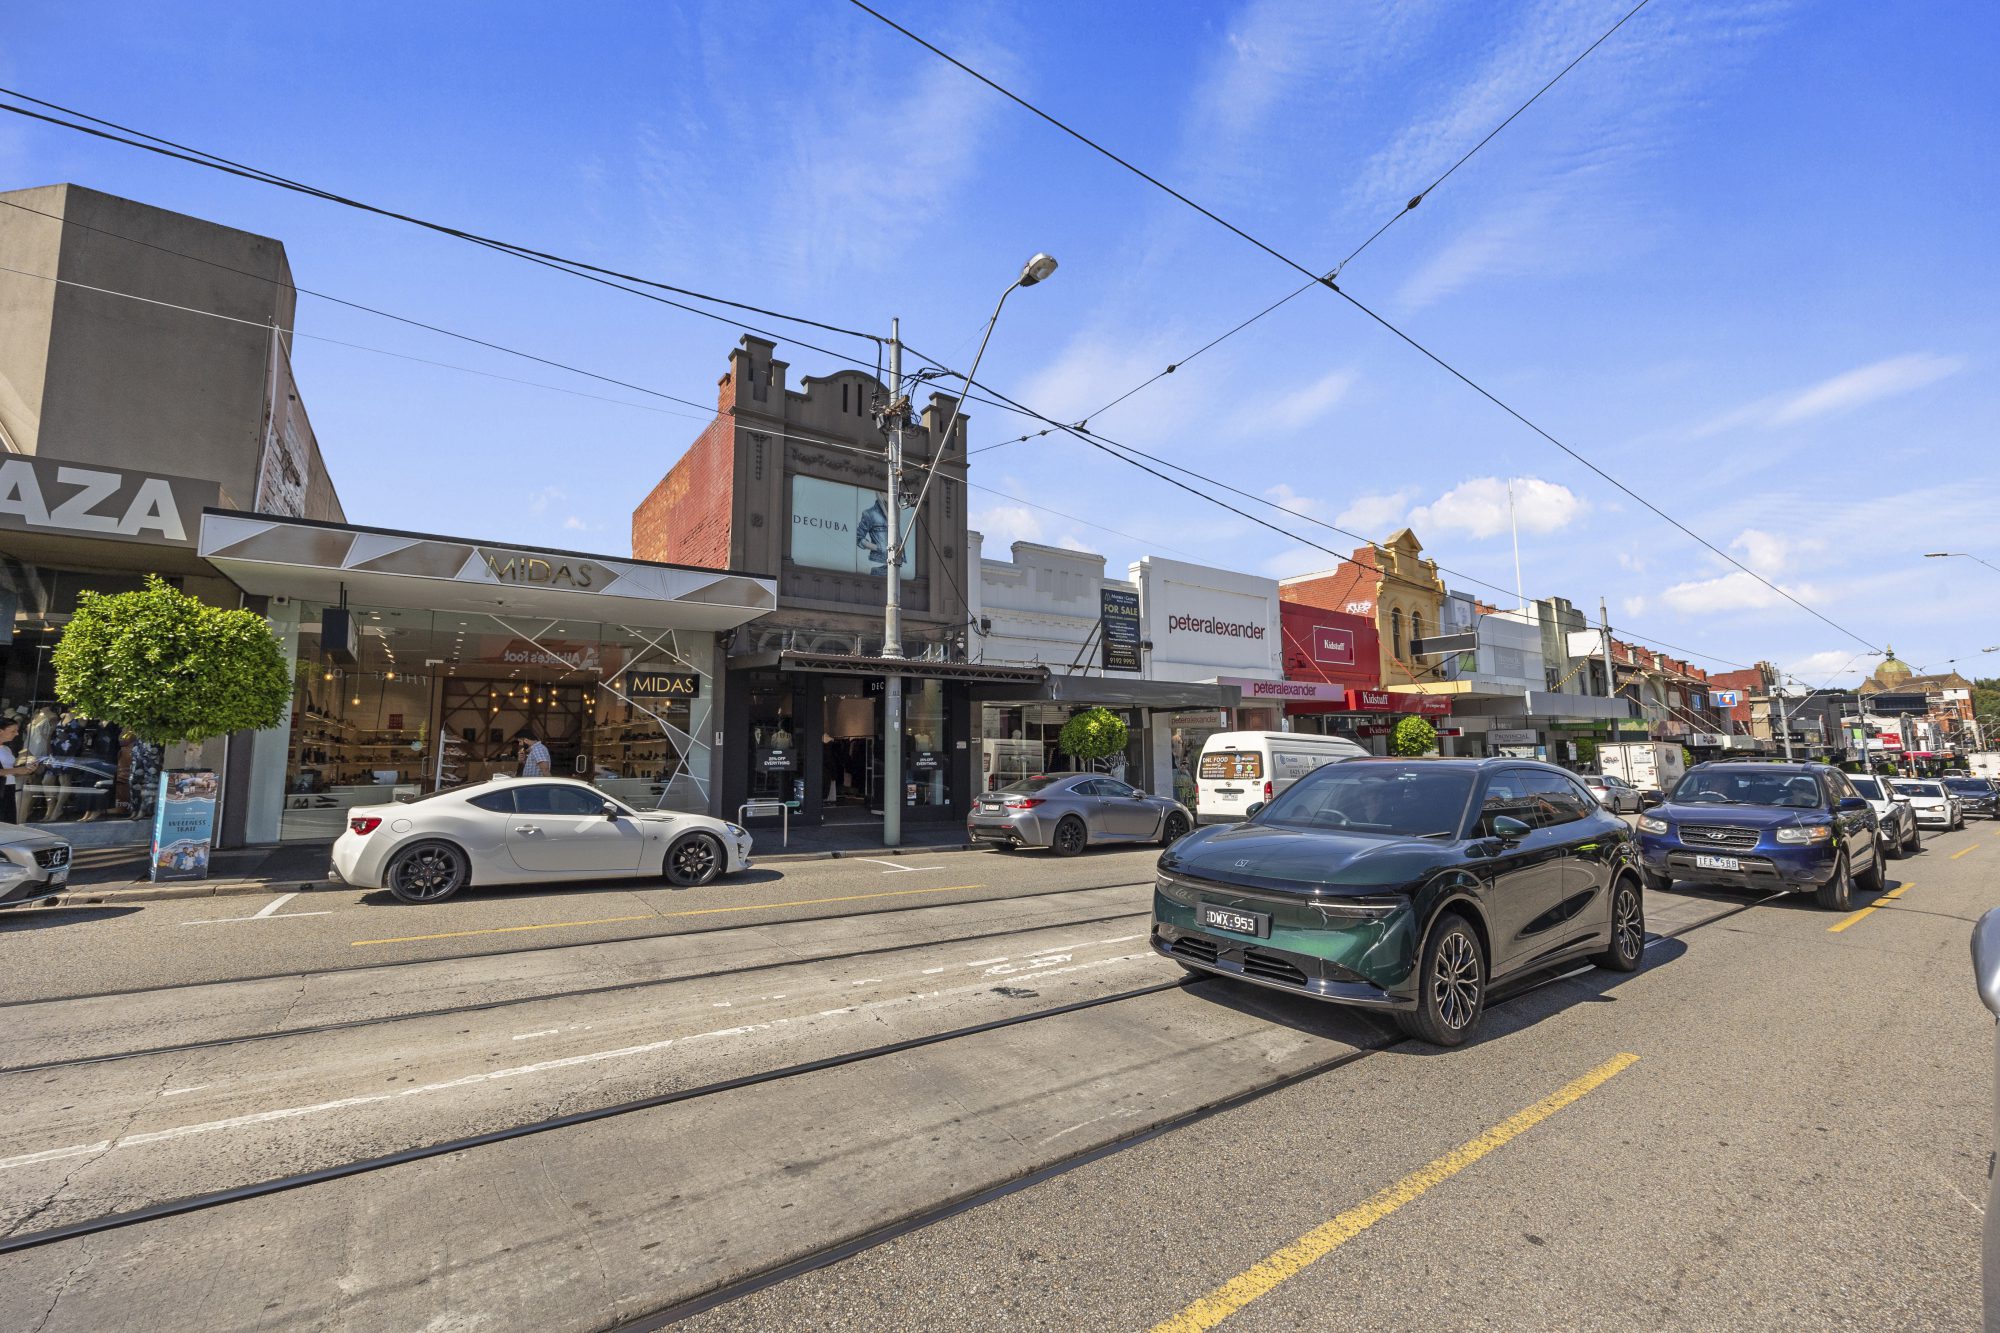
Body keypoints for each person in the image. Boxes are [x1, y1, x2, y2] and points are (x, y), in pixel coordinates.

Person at [0, 718, 38, 825]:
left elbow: (9, 772)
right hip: (2, 790)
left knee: (9, 822)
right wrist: (17, 770)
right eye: (13, 731)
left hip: (9, 788)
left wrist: (25, 770)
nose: (16, 734)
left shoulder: (6, 749)